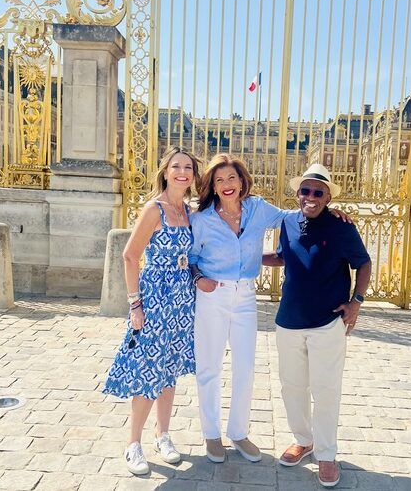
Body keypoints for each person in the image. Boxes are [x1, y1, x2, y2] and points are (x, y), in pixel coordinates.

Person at [188, 154, 351, 464]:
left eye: (232, 178)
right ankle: (212, 435)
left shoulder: (258, 208)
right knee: (209, 367)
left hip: (246, 297)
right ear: (212, 184)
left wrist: (331, 211)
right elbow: (192, 257)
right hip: (213, 295)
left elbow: (299, 215)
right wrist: (198, 278)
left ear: (241, 181)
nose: (227, 185)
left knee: (246, 367)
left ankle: (238, 432)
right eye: (220, 179)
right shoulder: (202, 218)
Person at [263, 163, 371, 488]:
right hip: (288, 321)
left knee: (326, 391)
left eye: (318, 192)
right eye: (305, 190)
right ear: (297, 193)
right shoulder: (286, 221)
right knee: (291, 387)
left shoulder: (342, 227)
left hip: (327, 323)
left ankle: (326, 454)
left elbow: (363, 263)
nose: (310, 197)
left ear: (327, 197)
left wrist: (357, 302)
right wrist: (245, 256)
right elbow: (283, 256)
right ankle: (304, 440)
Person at [103, 147, 201, 475]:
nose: (182, 172)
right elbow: (130, 256)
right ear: (166, 171)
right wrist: (135, 305)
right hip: (156, 298)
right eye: (176, 166)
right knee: (148, 372)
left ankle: (163, 435)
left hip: (182, 300)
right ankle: (133, 443)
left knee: (169, 370)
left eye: (188, 167)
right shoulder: (153, 209)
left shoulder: (188, 211)